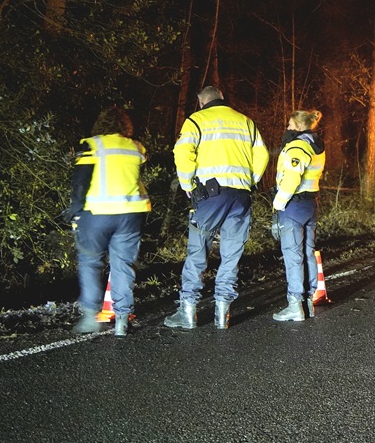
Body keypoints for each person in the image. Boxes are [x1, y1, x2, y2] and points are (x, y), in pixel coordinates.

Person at [164, 85, 269, 330]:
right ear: (223, 97)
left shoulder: (196, 120)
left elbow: (183, 151)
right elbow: (262, 155)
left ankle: (188, 311)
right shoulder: (246, 121)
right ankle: (223, 313)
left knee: (198, 251)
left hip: (210, 197)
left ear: (201, 102)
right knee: (231, 254)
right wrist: (250, 180)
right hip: (240, 196)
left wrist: (187, 183)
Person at [63, 106, 151, 337]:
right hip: (131, 213)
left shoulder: (93, 145)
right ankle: (122, 319)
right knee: (123, 264)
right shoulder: (135, 147)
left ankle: (90, 317)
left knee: (90, 262)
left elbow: (80, 183)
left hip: (98, 213)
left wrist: (74, 210)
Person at [272, 110, 326, 322]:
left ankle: (295, 305)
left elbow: (292, 177)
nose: (287, 128)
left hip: (293, 205)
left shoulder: (298, 146)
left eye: (289, 124)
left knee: (293, 255)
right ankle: (308, 302)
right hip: (310, 204)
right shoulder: (316, 145)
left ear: (296, 126)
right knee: (308, 252)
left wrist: (279, 202)